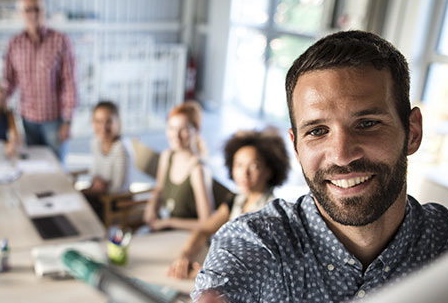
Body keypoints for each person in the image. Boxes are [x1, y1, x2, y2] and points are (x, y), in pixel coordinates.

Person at [104, 30, 448, 303]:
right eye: (318, 131)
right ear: (296, 145)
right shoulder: (253, 242)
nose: (342, 154)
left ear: (412, 132)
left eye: (367, 123)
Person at [167, 128, 291, 280]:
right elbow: (204, 230)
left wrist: (208, 275)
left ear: (269, 171)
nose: (244, 173)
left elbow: (259, 267)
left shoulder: (272, 211)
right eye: (238, 165)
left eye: (254, 166)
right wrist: (184, 256)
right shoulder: (236, 199)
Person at [4, 0, 77, 162]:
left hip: (54, 120)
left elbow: (70, 82)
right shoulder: (14, 43)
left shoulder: (60, 40)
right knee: (34, 166)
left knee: (56, 168)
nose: (33, 14)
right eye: (27, 10)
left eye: (37, 9)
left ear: (44, 11)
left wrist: (68, 121)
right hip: (27, 119)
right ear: (20, 14)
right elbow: (9, 81)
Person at [143, 101, 212, 231]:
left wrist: (168, 222)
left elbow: (206, 223)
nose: (176, 135)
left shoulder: (198, 169)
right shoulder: (167, 156)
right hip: (165, 229)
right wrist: (151, 207)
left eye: (184, 129)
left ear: (197, 130)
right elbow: (158, 189)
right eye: (171, 128)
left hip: (187, 236)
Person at [81, 100, 131, 217]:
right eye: (98, 121)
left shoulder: (121, 148)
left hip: (115, 201)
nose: (103, 127)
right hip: (98, 194)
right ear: (93, 123)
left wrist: (96, 189)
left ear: (117, 123)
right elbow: (94, 172)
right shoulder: (95, 141)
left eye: (109, 121)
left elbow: (119, 187)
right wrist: (95, 184)